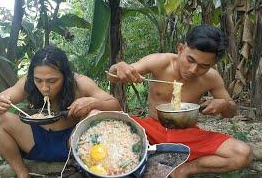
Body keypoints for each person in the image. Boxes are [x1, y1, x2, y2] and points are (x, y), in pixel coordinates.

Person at [107, 24, 252, 177]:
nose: (193, 70)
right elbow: (113, 77)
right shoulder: (160, 62)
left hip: (186, 133)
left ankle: (181, 170)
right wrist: (119, 67)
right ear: (181, 49)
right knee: (98, 116)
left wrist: (224, 104)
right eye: (190, 60)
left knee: (243, 154)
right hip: (150, 129)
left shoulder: (212, 77)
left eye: (203, 66)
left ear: (213, 64)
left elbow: (230, 112)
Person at [0, 45, 121, 178]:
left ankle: (92, 168)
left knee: (95, 114)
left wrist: (93, 103)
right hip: (35, 141)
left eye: (52, 81)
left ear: (65, 75)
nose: (44, 87)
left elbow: (115, 106)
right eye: (38, 80)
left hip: (72, 144)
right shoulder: (27, 83)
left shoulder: (80, 83)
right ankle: (22, 173)